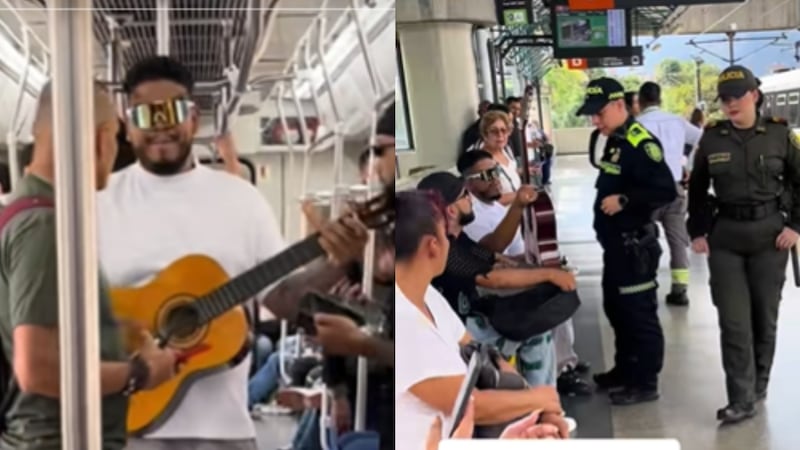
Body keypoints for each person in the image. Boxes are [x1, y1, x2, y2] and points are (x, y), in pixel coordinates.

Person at [97, 55, 368, 450]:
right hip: (124, 428)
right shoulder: (98, 203)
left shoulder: (242, 200)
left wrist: (338, 259)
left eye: (171, 111)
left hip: (224, 431)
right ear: (126, 121)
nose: (161, 126)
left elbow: (285, 299)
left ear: (193, 117)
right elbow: (71, 317)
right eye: (146, 114)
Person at [0, 81, 179, 450]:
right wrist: (140, 374)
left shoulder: (24, 212)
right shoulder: (45, 226)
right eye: (115, 137)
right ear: (100, 141)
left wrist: (110, 335)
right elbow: (37, 369)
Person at [395, 189, 566, 450]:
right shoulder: (401, 322)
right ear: (433, 245)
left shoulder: (427, 295)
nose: (449, 241)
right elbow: (467, 403)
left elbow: (483, 356)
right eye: (444, 234)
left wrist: (535, 405)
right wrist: (541, 400)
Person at [687, 65, 800, 424]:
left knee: (763, 319)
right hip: (726, 238)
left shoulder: (780, 136)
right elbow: (697, 189)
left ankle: (758, 384)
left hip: (771, 239)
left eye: (738, 96)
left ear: (755, 95)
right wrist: (698, 230)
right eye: (725, 99)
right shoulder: (712, 138)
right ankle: (741, 398)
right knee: (734, 323)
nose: (731, 104)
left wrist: (796, 227)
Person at [576, 77, 677, 405]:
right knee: (617, 310)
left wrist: (625, 201)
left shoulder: (639, 142)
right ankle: (625, 369)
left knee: (639, 316)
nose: (595, 120)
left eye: (599, 113)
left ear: (620, 106)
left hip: (635, 248)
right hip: (617, 248)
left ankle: (645, 382)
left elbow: (665, 190)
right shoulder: (616, 140)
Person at [636, 81, 703, 306]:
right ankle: (680, 290)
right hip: (675, 188)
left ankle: (645, 287)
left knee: (643, 239)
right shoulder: (677, 121)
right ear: (660, 98)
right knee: (678, 241)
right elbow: (701, 139)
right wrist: (687, 164)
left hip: (647, 192)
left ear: (640, 101)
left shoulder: (637, 124)